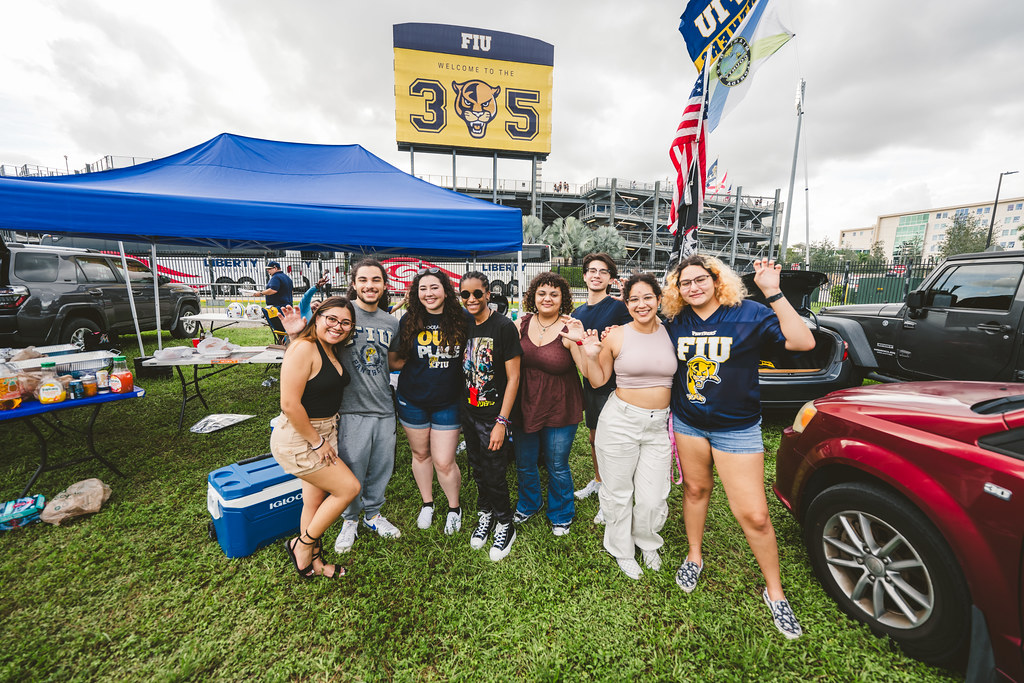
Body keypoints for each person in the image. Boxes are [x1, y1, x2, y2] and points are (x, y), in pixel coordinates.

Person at [662, 255, 814, 639]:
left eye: (700, 280)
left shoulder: (748, 313)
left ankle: (775, 592)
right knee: (696, 490)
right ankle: (694, 555)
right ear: (677, 290)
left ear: (717, 280)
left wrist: (773, 292)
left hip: (738, 430)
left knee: (756, 515)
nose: (693, 288)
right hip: (689, 423)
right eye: (685, 283)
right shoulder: (676, 322)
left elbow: (802, 341)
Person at [569, 273, 676, 580]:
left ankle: (647, 541)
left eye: (647, 298)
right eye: (633, 299)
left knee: (653, 495)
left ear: (658, 299)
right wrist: (589, 352)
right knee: (617, 492)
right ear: (626, 303)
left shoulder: (671, 332)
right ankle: (621, 549)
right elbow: (598, 379)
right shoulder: (617, 335)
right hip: (620, 421)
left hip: (658, 426)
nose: (641, 305)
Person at [270, 296, 361, 579]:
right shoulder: (303, 348)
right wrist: (317, 442)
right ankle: (302, 545)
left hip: (325, 431)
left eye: (345, 322)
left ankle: (314, 563)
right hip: (303, 437)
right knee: (348, 488)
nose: (338, 326)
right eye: (331, 319)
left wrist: (296, 332)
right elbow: (290, 404)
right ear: (317, 317)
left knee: (314, 500)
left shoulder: (326, 347)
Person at [388, 267, 468, 535]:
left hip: (449, 400)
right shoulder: (409, 320)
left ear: (445, 291)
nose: (428, 293)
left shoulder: (461, 319)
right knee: (421, 454)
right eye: (423, 288)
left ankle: (454, 508)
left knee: (444, 461)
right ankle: (427, 504)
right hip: (413, 399)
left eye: (434, 287)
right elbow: (396, 359)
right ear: (416, 293)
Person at [331, 258, 402, 551]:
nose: (370, 286)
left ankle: (373, 513)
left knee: (381, 466)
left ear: (385, 285)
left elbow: (394, 361)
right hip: (351, 407)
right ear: (354, 284)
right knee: (353, 466)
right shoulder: (343, 316)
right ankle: (350, 520)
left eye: (376, 280)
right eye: (363, 280)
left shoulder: (390, 322)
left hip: (384, 406)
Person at [511, 271, 585, 536]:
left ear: (562, 298)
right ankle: (529, 503)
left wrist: (581, 340)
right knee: (525, 461)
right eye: (542, 293)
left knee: (556, 464)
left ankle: (561, 512)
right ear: (533, 296)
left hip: (560, 406)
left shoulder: (570, 327)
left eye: (554, 294)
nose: (547, 298)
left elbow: (586, 372)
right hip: (524, 404)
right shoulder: (520, 323)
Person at [458, 271, 522, 561]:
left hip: (493, 415)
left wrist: (501, 422)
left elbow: (514, 378)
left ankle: (505, 522)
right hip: (469, 412)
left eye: (476, 293)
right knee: (477, 467)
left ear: (487, 294)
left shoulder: (503, 326)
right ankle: (485, 513)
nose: (471, 299)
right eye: (465, 294)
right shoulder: (464, 325)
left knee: (495, 471)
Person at [570, 253, 632, 522]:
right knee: (595, 438)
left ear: (610, 278)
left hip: (617, 384)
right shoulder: (577, 314)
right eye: (592, 270)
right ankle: (598, 480)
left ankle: (612, 491)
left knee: (613, 443)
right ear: (584, 276)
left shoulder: (619, 307)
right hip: (591, 383)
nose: (596, 275)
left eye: (603, 271)